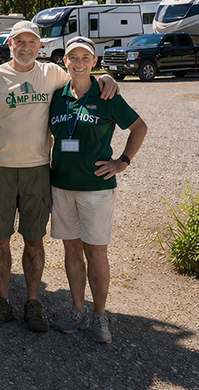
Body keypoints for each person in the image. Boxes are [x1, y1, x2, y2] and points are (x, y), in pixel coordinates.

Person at [0, 21, 119, 333]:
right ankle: (3, 302)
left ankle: (33, 303)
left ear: (41, 47)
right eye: (19, 42)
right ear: (9, 45)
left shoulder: (52, 73)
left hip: (38, 169)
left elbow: (83, 76)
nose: (25, 47)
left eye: (31, 42)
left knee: (34, 238)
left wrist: (107, 77)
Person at [48, 36, 147, 343]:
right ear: (65, 62)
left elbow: (139, 127)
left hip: (96, 189)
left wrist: (123, 161)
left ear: (94, 61)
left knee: (96, 251)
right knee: (72, 250)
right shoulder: (56, 96)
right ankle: (77, 310)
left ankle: (99, 315)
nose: (79, 63)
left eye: (85, 58)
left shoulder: (107, 94)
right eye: (73, 58)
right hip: (61, 186)